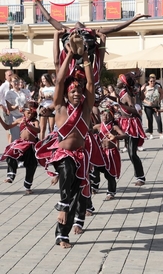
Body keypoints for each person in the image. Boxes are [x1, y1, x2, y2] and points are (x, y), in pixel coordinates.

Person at [41, 43, 95, 248]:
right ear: (66, 93)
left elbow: (90, 82)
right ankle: (62, 207)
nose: (75, 93)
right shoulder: (60, 106)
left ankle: (62, 235)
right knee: (68, 168)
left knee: (76, 193)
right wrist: (71, 53)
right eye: (72, 90)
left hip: (80, 154)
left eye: (78, 90)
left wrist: (87, 57)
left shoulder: (87, 107)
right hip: (63, 154)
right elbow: (60, 79)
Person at [111, 73, 147, 186]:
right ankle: (139, 176)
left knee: (132, 153)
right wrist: (107, 97)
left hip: (132, 125)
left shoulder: (126, 94)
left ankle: (141, 177)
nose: (117, 81)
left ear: (124, 83)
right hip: (125, 123)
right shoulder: (123, 93)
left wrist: (120, 104)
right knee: (131, 153)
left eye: (119, 80)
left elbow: (133, 110)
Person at [0, 101, 40, 194]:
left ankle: (27, 186)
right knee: (11, 155)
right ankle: (10, 176)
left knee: (31, 166)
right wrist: (1, 120)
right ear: (23, 112)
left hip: (31, 146)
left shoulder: (35, 121)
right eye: (28, 112)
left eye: (32, 112)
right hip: (21, 145)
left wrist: (29, 125)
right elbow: (7, 127)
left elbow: (38, 130)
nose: (30, 114)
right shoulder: (20, 120)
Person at [92, 105, 127, 200]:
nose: (105, 117)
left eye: (107, 115)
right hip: (100, 152)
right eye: (103, 115)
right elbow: (88, 131)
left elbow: (124, 135)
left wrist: (116, 137)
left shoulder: (114, 127)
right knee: (94, 169)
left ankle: (111, 192)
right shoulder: (99, 126)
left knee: (110, 174)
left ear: (111, 116)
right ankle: (94, 186)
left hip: (111, 153)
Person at [142, 75, 163, 139]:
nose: (153, 82)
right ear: (148, 82)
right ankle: (151, 134)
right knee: (150, 120)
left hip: (156, 106)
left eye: (154, 81)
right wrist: (147, 102)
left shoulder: (157, 87)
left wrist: (159, 99)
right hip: (148, 106)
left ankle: (161, 134)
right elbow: (142, 97)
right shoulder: (146, 88)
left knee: (158, 119)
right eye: (151, 81)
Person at [5, 74, 28, 141]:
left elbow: (26, 103)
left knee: (24, 137)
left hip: (24, 116)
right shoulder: (9, 93)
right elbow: (9, 107)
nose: (16, 82)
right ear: (11, 83)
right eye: (14, 81)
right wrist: (17, 106)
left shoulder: (23, 92)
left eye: (17, 80)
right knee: (16, 138)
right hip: (14, 117)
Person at [38, 73, 55, 140]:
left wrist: (50, 97)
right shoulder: (41, 89)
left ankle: (51, 142)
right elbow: (38, 101)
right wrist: (42, 97)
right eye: (42, 79)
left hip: (52, 107)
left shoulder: (54, 88)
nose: (43, 80)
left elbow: (57, 99)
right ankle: (41, 143)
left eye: (44, 79)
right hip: (43, 107)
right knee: (42, 127)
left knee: (51, 127)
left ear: (48, 79)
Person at [0, 69, 13, 143]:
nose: (11, 76)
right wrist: (2, 107)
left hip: (14, 110)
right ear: (5, 76)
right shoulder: (3, 86)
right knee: (9, 128)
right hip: (7, 110)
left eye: (12, 74)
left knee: (14, 128)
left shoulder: (14, 84)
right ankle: (9, 144)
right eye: (9, 75)